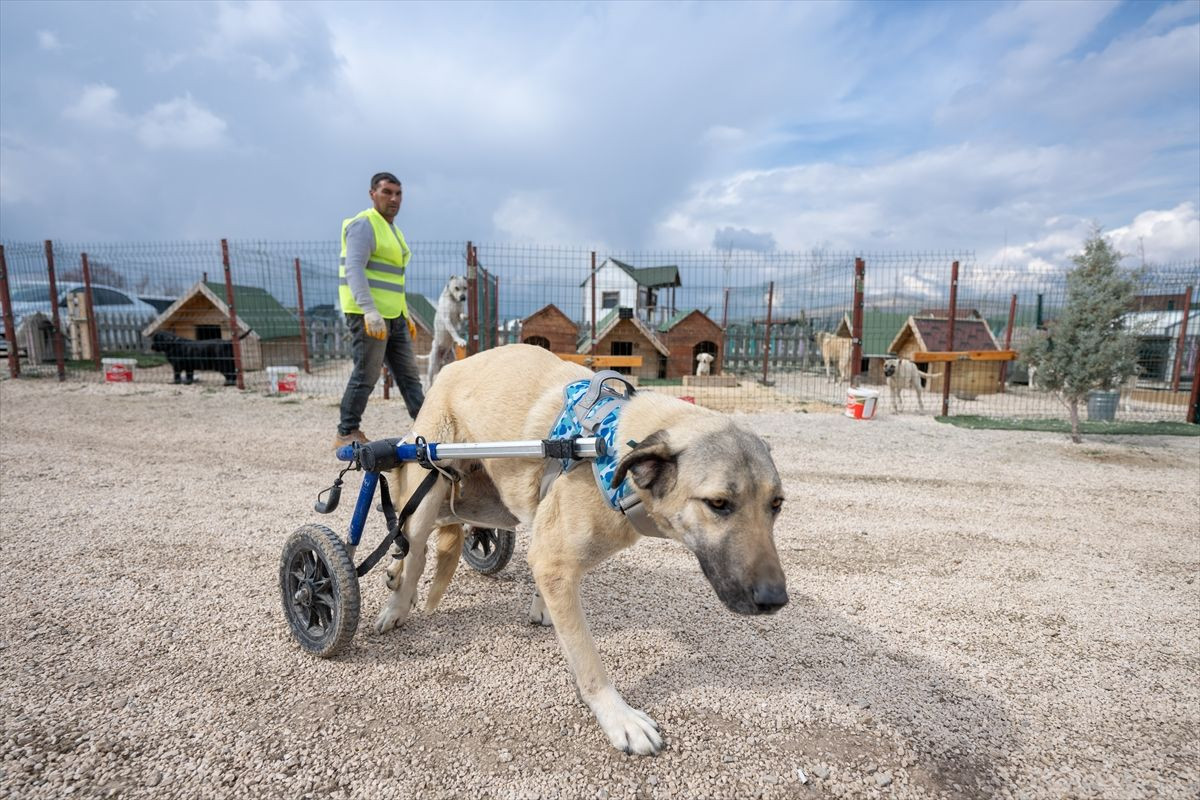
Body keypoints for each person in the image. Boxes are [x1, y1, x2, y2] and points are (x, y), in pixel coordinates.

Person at [334, 171, 424, 451]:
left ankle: (426, 425)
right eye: (387, 192)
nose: (393, 199)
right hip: (369, 316)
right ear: (372, 194)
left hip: (393, 316)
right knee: (366, 373)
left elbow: (391, 280)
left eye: (398, 194)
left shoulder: (392, 230)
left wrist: (404, 311)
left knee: (409, 375)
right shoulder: (364, 225)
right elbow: (354, 269)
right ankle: (346, 431)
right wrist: (369, 311)